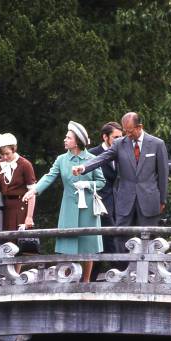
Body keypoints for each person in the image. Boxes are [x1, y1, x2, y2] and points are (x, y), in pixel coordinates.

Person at [72, 112, 169, 252]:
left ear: (139, 127)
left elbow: (163, 173)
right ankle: (125, 270)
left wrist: (162, 199)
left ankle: (149, 272)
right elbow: (103, 157)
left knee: (150, 238)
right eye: (125, 131)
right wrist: (84, 167)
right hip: (125, 199)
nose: (127, 134)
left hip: (149, 198)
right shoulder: (120, 144)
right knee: (121, 237)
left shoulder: (157, 144)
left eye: (130, 131)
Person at [23, 121, 106, 282]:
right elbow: (49, 176)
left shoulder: (92, 159)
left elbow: (102, 182)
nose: (65, 140)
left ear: (77, 142)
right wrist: (33, 190)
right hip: (68, 206)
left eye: (68, 137)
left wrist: (87, 184)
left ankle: (86, 281)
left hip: (88, 207)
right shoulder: (61, 159)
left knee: (88, 244)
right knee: (67, 243)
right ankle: (66, 279)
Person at [0, 132, 36, 232]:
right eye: (2, 154)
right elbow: (3, 183)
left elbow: (32, 192)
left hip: (20, 207)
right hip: (4, 207)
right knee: (3, 241)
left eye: (7, 153)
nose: (5, 157)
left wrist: (29, 217)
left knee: (18, 242)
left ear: (13, 149)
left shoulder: (25, 164)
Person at [89, 121, 123, 251]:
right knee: (109, 241)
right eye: (116, 137)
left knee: (117, 239)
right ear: (105, 137)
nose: (119, 140)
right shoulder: (93, 154)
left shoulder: (123, 153)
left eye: (121, 137)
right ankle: (121, 269)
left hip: (119, 204)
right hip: (100, 204)